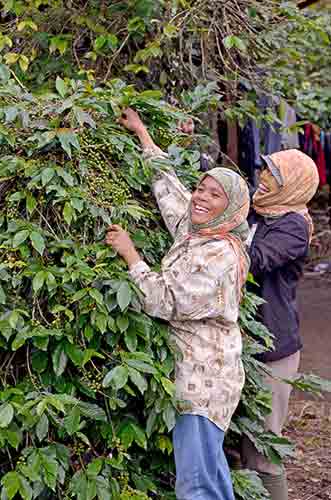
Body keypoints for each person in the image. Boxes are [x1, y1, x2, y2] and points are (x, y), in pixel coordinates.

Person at [105, 108, 251, 500]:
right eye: (201, 189)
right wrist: (142, 134)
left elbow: (164, 299)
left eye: (213, 194)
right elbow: (170, 191)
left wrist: (131, 256)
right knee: (209, 472)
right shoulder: (199, 230)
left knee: (197, 483)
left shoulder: (219, 254)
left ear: (233, 206)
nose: (201, 197)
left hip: (204, 383)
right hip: (197, 373)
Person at [242, 150, 320, 500]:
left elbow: (255, 260)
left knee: (264, 448)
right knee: (245, 444)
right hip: (248, 342)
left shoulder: (292, 225)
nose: (263, 176)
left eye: (272, 173)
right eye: (264, 169)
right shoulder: (262, 209)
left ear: (291, 184)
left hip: (273, 347)